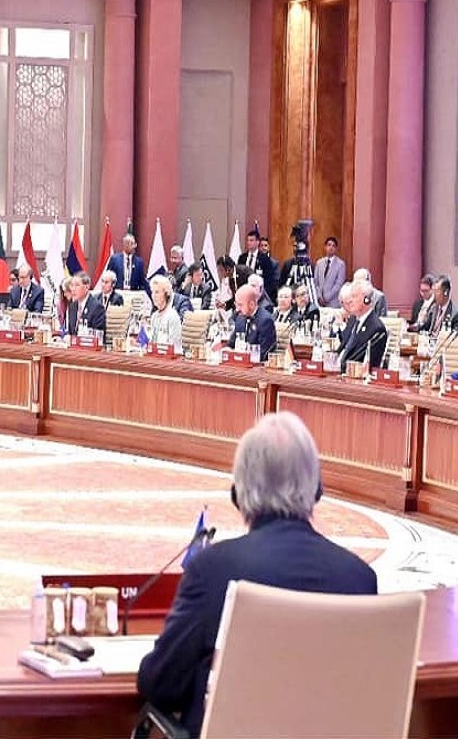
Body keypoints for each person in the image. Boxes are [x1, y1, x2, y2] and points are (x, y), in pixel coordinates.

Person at [137, 412, 376, 736]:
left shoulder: (213, 570)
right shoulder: (359, 578)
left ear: (238, 493)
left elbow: (161, 685)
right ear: (316, 489)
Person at [338, 282, 387, 369]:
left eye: (354, 296)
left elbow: (364, 362)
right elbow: (342, 347)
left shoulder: (376, 329)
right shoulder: (352, 321)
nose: (350, 300)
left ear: (366, 300)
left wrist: (339, 365)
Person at [228, 284, 276, 359]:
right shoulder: (240, 318)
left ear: (251, 304)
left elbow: (264, 353)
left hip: (257, 364)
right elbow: (231, 344)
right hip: (239, 362)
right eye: (236, 304)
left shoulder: (266, 321)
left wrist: (243, 357)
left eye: (240, 305)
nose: (237, 309)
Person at [239, 230, 278, 303]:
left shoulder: (264, 259)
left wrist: (261, 294)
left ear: (257, 242)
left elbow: (269, 280)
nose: (248, 243)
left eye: (251, 240)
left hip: (259, 295)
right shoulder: (242, 258)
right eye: (248, 240)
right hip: (244, 294)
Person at [145, 275, 182, 350]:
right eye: (152, 292)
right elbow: (152, 343)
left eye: (157, 292)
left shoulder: (172, 316)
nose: (153, 296)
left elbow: (174, 346)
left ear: (166, 294)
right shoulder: (154, 316)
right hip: (156, 355)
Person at [314, 237, 346, 308]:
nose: (331, 247)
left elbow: (339, 284)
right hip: (319, 303)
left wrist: (326, 298)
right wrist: (319, 297)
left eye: (333, 246)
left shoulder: (341, 264)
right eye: (329, 245)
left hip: (333, 304)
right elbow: (316, 282)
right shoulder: (319, 263)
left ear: (336, 249)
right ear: (325, 247)